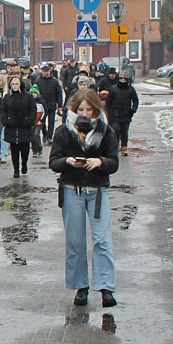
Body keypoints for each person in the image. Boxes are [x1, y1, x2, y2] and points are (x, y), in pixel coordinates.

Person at [49, 90, 119, 308]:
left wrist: (100, 162)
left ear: (96, 110)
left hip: (97, 191)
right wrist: (68, 161)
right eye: (81, 109)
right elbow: (54, 162)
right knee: (75, 241)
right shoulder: (63, 132)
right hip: (72, 190)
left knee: (102, 240)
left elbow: (114, 163)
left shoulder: (106, 131)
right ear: (73, 109)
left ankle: (106, 287)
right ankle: (81, 287)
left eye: (89, 109)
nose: (85, 114)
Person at [1, 76, 36, 179]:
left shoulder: (28, 97)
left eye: (16, 84)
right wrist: (5, 121)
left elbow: (32, 109)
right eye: (13, 84)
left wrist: (29, 121)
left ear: (20, 84)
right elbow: (3, 110)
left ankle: (24, 164)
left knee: (25, 149)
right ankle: (16, 169)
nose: (15, 86)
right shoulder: (7, 97)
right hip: (11, 127)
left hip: (24, 126)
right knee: (14, 150)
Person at [104, 76, 139, 156]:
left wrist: (133, 110)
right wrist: (108, 112)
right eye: (121, 79)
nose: (122, 81)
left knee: (124, 131)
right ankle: (115, 146)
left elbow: (135, 100)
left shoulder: (131, 89)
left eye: (124, 80)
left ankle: (124, 147)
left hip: (126, 114)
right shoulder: (113, 89)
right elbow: (108, 101)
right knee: (115, 129)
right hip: (114, 114)